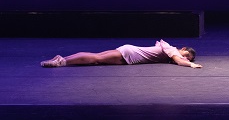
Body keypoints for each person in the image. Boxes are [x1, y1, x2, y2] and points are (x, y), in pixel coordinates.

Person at [40, 39, 202, 68]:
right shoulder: (173, 50)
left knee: (97, 57)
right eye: (186, 55)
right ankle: (62, 62)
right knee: (96, 59)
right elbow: (179, 61)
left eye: (188, 58)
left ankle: (63, 58)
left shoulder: (169, 49)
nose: (185, 58)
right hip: (129, 54)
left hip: (128, 51)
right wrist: (191, 64)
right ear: (182, 49)